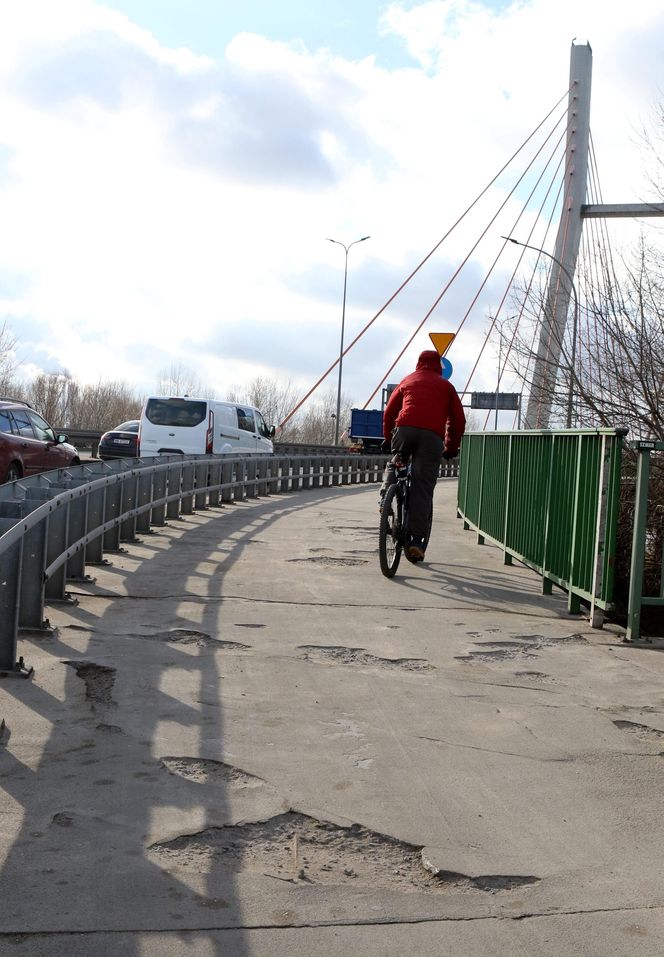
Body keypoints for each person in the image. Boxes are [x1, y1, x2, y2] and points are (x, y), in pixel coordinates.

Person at [379, 349, 466, 563]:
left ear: (419, 363)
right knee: (422, 487)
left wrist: (388, 438)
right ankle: (416, 541)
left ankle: (385, 496)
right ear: (439, 366)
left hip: (405, 430)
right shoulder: (446, 386)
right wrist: (451, 447)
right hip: (431, 438)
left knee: (397, 461)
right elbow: (458, 421)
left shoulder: (408, 379)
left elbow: (390, 411)